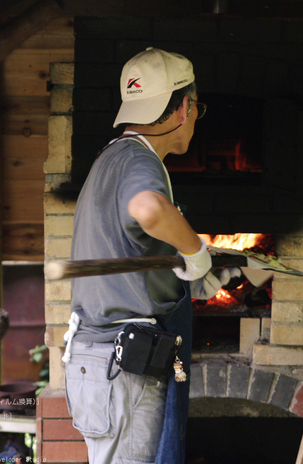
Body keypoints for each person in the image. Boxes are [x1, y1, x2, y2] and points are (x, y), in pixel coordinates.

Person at [62, 47, 231, 464]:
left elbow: (135, 241)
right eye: (197, 108)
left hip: (97, 360)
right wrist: (195, 251)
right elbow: (149, 209)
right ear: (185, 108)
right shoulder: (139, 159)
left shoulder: (111, 158)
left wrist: (189, 270)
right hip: (121, 367)